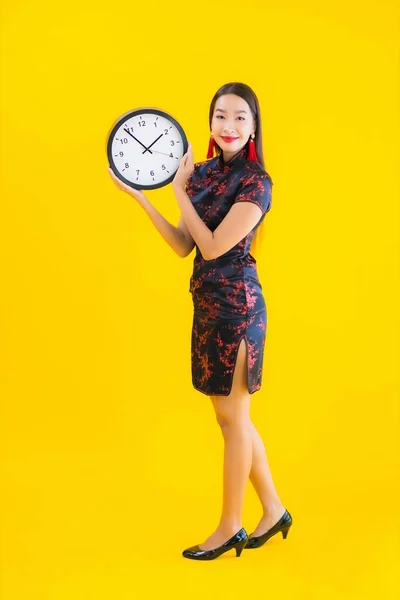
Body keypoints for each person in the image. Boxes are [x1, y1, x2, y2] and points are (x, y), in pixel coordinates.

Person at [107, 82, 292, 561]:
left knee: (233, 420)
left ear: (253, 127)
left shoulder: (256, 183)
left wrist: (177, 188)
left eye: (239, 118)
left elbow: (215, 247)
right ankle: (272, 509)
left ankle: (231, 526)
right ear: (209, 122)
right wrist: (142, 197)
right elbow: (182, 244)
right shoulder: (202, 174)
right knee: (229, 416)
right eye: (220, 116)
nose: (228, 126)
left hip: (239, 308)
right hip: (207, 305)